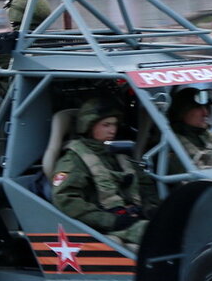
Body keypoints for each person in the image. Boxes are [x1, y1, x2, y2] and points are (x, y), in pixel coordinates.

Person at [51, 96, 157, 245]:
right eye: (106, 125)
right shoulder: (74, 159)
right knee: (159, 236)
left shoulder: (117, 154)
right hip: (109, 223)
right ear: (89, 125)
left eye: (114, 124)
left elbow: (144, 183)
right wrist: (109, 220)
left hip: (133, 216)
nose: (112, 130)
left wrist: (150, 208)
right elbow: (66, 199)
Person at [169, 86, 212, 167]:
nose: (205, 113)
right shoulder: (169, 143)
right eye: (198, 108)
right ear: (182, 111)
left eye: (206, 107)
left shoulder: (205, 134)